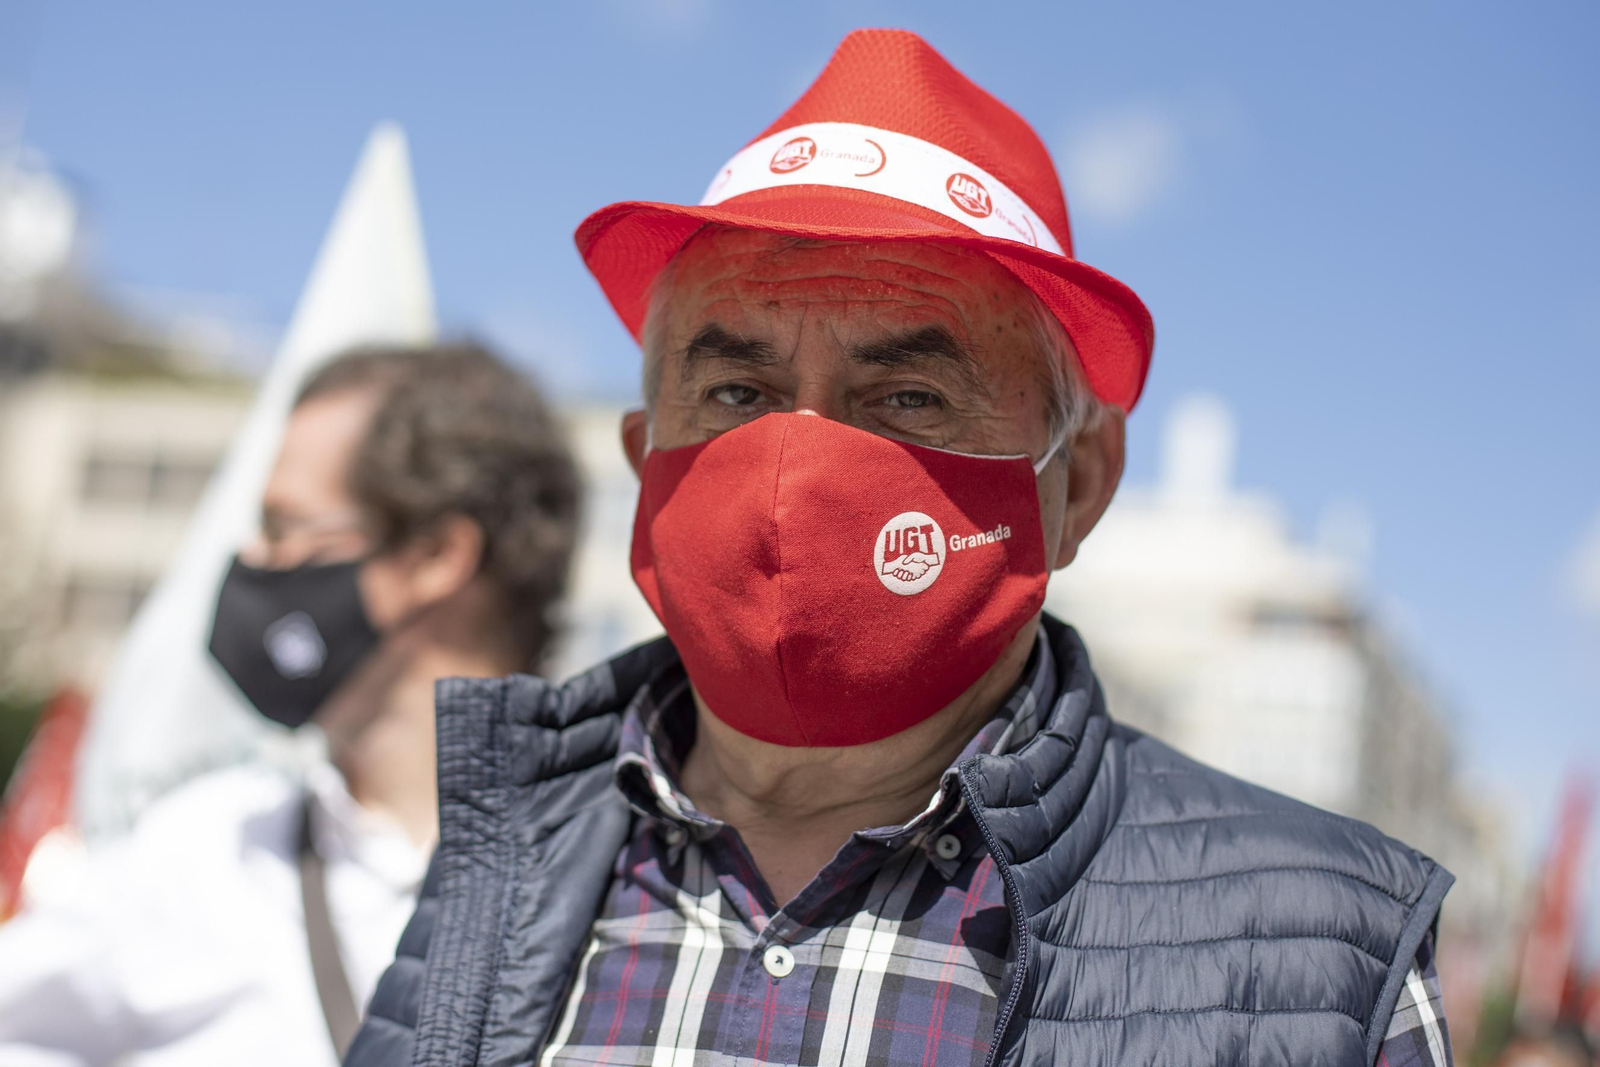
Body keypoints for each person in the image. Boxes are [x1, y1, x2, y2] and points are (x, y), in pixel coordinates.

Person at [348, 30, 1453, 1067]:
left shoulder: (1320, 959)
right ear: (646, 457)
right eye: (737, 390)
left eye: (907, 397)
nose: (800, 460)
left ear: (1077, 485)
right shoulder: (503, 854)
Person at [0, 342, 581, 1065]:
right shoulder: (201, 854)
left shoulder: (635, 878)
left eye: (283, 528)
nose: (252, 562)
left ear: (435, 555)